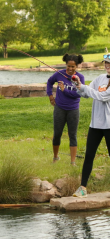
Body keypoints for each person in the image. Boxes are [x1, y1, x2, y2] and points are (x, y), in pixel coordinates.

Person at [73, 53, 110, 197]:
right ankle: (83, 188)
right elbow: (86, 94)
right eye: (105, 63)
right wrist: (78, 86)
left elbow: (101, 96)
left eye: (109, 63)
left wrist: (84, 87)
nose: (107, 66)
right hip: (95, 125)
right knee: (89, 155)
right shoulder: (100, 78)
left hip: (109, 126)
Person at [47, 54, 85, 165]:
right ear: (66, 65)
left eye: (73, 66)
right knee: (57, 133)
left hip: (73, 109)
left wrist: (64, 90)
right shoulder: (59, 74)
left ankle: (73, 162)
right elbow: (49, 82)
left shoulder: (80, 78)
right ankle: (55, 157)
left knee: (72, 134)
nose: (70, 69)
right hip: (59, 108)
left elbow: (78, 94)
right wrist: (50, 95)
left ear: (77, 66)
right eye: (68, 66)